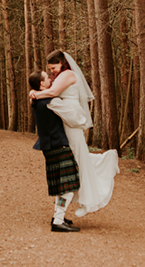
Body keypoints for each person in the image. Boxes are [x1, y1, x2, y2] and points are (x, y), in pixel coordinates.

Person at [29, 50, 119, 218]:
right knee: (76, 161)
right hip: (65, 121)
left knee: (79, 159)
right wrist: (35, 93)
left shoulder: (68, 74)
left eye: (53, 68)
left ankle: (86, 201)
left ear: (62, 63)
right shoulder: (54, 90)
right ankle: (63, 213)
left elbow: (53, 93)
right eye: (49, 71)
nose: (52, 73)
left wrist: (35, 93)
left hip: (70, 116)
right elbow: (51, 94)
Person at [29, 70, 81, 232]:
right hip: (59, 145)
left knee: (61, 185)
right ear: (41, 84)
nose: (51, 79)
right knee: (68, 186)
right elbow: (72, 118)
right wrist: (84, 122)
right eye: (47, 78)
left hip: (48, 146)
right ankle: (58, 221)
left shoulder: (36, 100)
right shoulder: (52, 101)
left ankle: (58, 215)